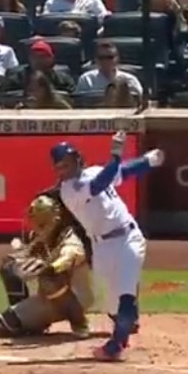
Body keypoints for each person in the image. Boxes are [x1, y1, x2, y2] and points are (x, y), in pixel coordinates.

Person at [51, 134, 163, 360]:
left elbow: (124, 172)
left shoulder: (93, 171)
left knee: (125, 299)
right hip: (101, 247)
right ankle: (127, 319)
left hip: (129, 238)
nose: (65, 169)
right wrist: (115, 154)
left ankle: (116, 344)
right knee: (112, 306)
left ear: (77, 158)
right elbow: (100, 183)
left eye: (68, 162)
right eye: (61, 166)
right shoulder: (68, 191)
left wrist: (149, 161)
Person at [0, 194, 93, 338]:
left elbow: (71, 256)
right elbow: (23, 255)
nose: (31, 220)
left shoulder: (68, 237)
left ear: (45, 220)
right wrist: (14, 262)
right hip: (49, 299)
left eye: (35, 217)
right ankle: (34, 324)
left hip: (77, 297)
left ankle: (79, 322)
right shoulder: (39, 238)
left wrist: (51, 268)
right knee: (4, 324)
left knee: (49, 278)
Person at [76, 40, 142, 97]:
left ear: (117, 59)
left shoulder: (130, 80)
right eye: (102, 58)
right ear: (96, 60)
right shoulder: (86, 80)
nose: (106, 61)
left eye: (110, 57)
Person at [9, 39, 76, 93]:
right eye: (35, 56)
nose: (38, 60)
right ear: (30, 58)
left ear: (51, 59)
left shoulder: (63, 80)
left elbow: (72, 99)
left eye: (43, 56)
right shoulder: (17, 78)